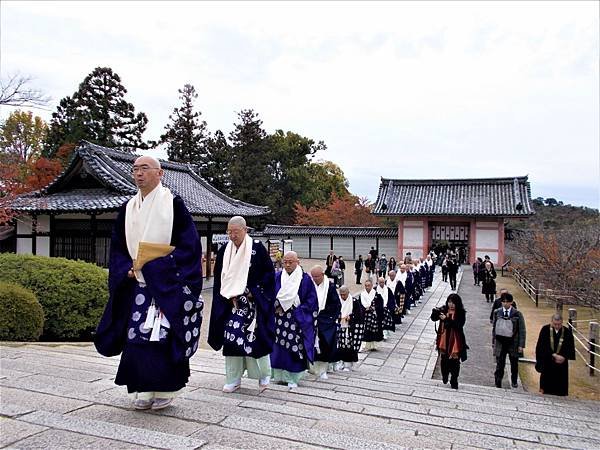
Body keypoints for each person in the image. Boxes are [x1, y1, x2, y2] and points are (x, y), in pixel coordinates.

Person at [94, 156, 203, 411]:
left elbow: (189, 247)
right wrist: (127, 270)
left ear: (160, 173)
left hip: (165, 288)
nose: (139, 174)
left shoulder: (174, 205)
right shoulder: (127, 207)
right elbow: (119, 248)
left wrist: (154, 268)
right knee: (136, 340)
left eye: (145, 168)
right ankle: (142, 390)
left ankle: (165, 390)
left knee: (162, 339)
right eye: (135, 169)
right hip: (137, 287)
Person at [208, 216, 275, 393]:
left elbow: (268, 275)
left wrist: (256, 291)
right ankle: (233, 378)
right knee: (231, 340)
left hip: (253, 304)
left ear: (245, 230)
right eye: (229, 232)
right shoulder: (224, 250)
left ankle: (263, 374)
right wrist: (222, 297)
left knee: (256, 339)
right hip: (231, 304)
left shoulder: (257, 249)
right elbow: (219, 279)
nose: (232, 236)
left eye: (235, 232)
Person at [271, 251, 318, 389]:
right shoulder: (278, 276)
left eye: (290, 262)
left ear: (298, 261)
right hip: (279, 317)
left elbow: (312, 300)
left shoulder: (305, 279)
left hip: (296, 318)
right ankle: (279, 376)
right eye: (285, 262)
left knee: (294, 348)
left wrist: (298, 310)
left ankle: (293, 377)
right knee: (278, 347)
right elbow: (270, 294)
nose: (287, 265)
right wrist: (276, 304)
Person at [309, 265, 341, 380]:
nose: (315, 279)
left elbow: (336, 304)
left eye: (317, 276)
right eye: (313, 277)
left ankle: (323, 370)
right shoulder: (310, 285)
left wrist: (328, 317)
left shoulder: (330, 287)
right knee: (310, 344)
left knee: (325, 345)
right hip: (311, 320)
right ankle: (312, 368)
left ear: (322, 275)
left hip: (325, 320)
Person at [431, 293, 468, 389]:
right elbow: (433, 319)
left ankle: (454, 379)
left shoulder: (460, 313)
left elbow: (458, 325)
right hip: (443, 338)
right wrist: (435, 313)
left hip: (456, 340)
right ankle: (445, 375)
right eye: (449, 302)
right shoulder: (444, 309)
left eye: (453, 303)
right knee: (444, 359)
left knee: (455, 361)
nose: (451, 304)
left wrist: (446, 319)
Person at [535, 313, 575, 396]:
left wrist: (564, 357)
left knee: (560, 385)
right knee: (546, 385)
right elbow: (541, 346)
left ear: (562, 322)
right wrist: (553, 355)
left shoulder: (567, 332)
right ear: (551, 322)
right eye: (555, 324)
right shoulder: (545, 329)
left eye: (559, 324)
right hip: (548, 361)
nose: (557, 326)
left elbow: (570, 347)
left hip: (561, 363)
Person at [492, 293, 526, 388]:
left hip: (513, 342)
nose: (505, 303)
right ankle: (498, 380)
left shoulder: (517, 314)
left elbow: (522, 330)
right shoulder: (497, 312)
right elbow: (494, 328)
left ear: (511, 302)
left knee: (514, 363)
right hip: (500, 341)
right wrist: (493, 342)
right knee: (500, 363)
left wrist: (521, 345)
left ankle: (514, 380)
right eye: (503, 301)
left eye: (507, 301)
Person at [334, 285, 364, 371]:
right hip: (340, 326)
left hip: (350, 328)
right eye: (341, 295)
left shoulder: (354, 301)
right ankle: (342, 362)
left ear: (348, 293)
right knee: (341, 346)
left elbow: (359, 315)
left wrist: (351, 317)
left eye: (344, 294)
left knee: (349, 346)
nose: (343, 296)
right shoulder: (337, 301)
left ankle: (349, 364)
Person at [360, 279, 384, 351]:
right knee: (365, 331)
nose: (367, 287)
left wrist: (373, 308)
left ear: (372, 286)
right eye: (366, 286)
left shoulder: (377, 295)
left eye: (369, 285)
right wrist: (365, 309)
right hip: (365, 315)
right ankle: (365, 345)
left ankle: (373, 345)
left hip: (374, 315)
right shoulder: (362, 294)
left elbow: (380, 305)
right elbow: (360, 306)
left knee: (374, 331)